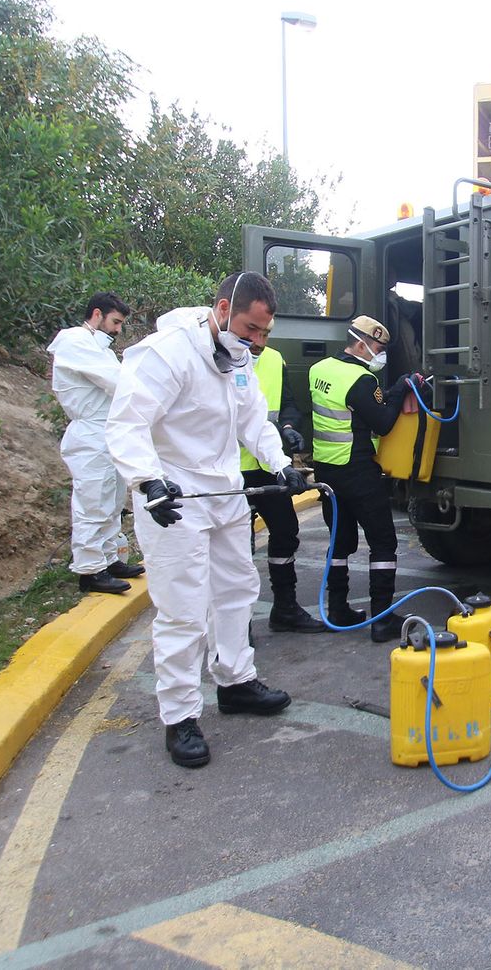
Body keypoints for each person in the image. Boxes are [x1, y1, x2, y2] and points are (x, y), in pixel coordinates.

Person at [107, 272, 310, 768]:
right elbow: (127, 422)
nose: (258, 342)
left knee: (237, 588)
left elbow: (253, 423)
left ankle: (236, 681)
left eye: (265, 333)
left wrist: (280, 463)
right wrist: (147, 481)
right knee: (184, 610)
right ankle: (179, 717)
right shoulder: (167, 353)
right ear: (222, 310)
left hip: (222, 493)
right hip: (173, 497)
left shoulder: (238, 359)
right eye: (250, 329)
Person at [308, 315, 428, 643]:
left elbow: (357, 410)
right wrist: (401, 387)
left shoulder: (318, 370)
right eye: (377, 347)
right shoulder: (361, 380)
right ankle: (382, 620)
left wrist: (388, 392)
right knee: (383, 542)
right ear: (361, 343)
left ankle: (337, 608)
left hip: (327, 472)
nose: (380, 354)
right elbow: (384, 421)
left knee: (339, 543)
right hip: (359, 471)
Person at [48, 292, 143, 595]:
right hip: (90, 433)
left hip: (108, 431)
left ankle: (109, 558)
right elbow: (116, 381)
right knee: (92, 502)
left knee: (113, 500)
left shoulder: (99, 347)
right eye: (115, 322)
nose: (117, 330)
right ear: (97, 314)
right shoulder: (74, 340)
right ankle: (90, 569)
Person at [240, 320, 327, 633]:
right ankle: (239, 623)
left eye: (265, 335)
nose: (260, 341)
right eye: (255, 334)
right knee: (238, 546)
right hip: (233, 471)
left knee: (286, 531)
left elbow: (286, 404)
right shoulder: (222, 360)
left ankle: (285, 607)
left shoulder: (275, 359)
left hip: (270, 466)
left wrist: (290, 429)